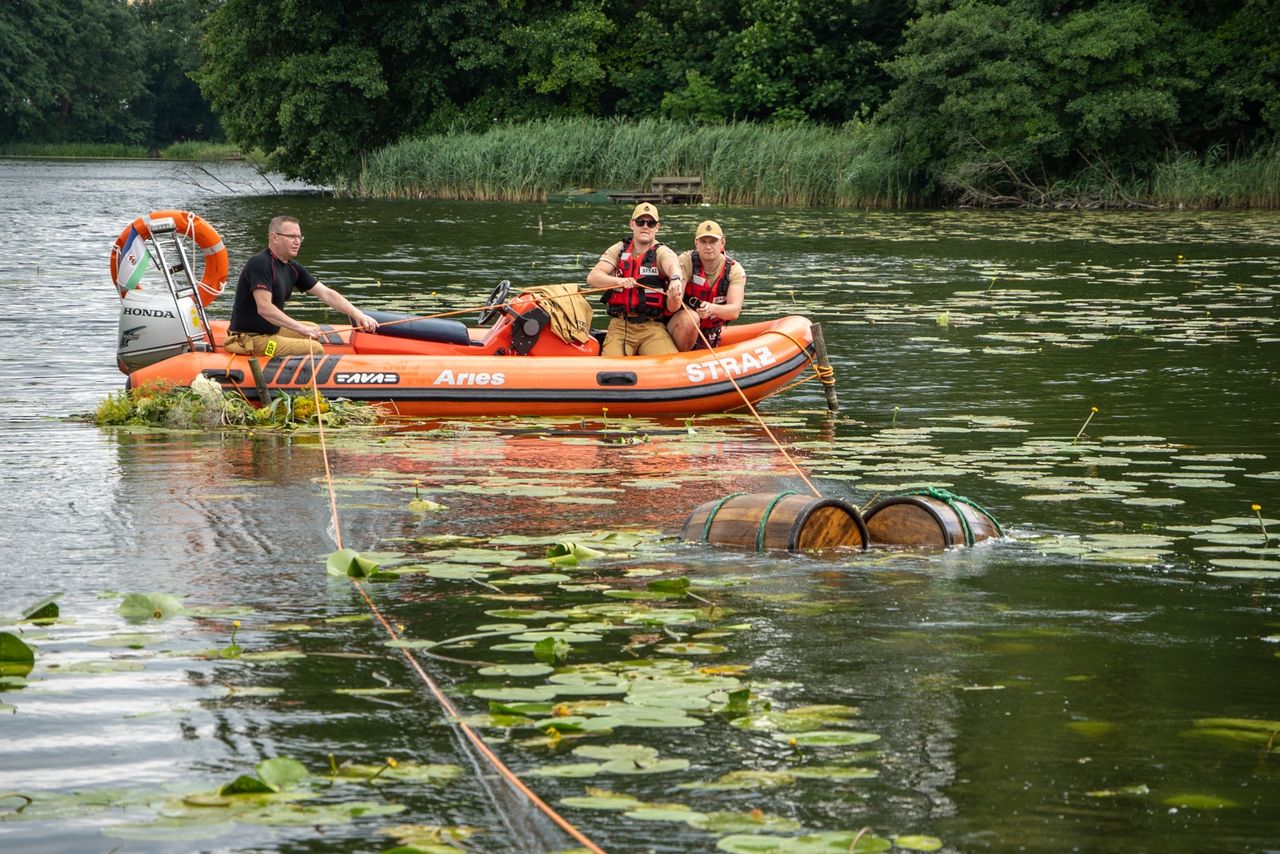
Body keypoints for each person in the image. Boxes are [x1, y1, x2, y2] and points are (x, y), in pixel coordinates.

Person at [223, 215, 378, 357]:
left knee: (313, 327)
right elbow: (265, 309)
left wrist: (357, 314)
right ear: (274, 238)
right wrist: (300, 328)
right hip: (251, 340)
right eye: (291, 236)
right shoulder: (259, 263)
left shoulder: (292, 267)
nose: (297, 241)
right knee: (314, 347)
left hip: (271, 332)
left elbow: (326, 294)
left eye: (299, 237)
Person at [586, 202, 684, 356]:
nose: (645, 226)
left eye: (650, 223)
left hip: (652, 327)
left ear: (657, 227)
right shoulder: (619, 249)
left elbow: (673, 265)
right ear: (632, 224)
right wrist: (619, 281)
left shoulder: (662, 252)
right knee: (612, 371)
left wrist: (676, 279)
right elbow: (593, 278)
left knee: (670, 364)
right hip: (620, 325)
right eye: (640, 222)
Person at [667, 219, 745, 351]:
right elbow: (674, 306)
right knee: (691, 317)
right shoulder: (686, 261)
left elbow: (734, 311)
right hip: (681, 325)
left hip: (710, 330)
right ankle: (680, 358)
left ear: (722, 243)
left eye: (713, 241)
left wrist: (712, 309)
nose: (708, 247)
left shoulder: (734, 270)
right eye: (703, 241)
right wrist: (674, 296)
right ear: (696, 243)